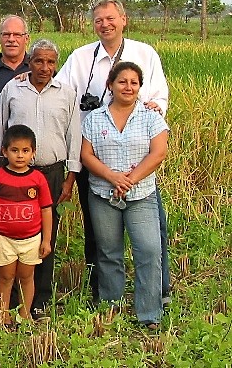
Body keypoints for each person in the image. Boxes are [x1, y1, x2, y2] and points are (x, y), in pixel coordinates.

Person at [55, 0, 170, 303]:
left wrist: (154, 107)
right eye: (98, 20)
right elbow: (59, 92)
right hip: (95, 156)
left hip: (137, 161)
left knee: (152, 235)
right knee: (99, 233)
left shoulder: (144, 53)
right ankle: (103, 293)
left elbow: (160, 96)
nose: (105, 24)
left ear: (123, 20)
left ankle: (160, 291)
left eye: (110, 18)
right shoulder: (81, 58)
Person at [0, 39, 81, 319]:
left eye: (50, 62)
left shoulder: (66, 93)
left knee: (44, 238)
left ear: (56, 64)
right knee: (9, 231)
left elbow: (74, 135)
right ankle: (9, 300)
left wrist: (70, 178)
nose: (44, 67)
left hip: (50, 173)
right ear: (30, 62)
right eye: (39, 61)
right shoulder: (13, 88)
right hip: (13, 173)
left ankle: (39, 300)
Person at [80, 62, 168, 329]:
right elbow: (86, 155)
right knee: (108, 252)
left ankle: (149, 313)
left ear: (140, 87)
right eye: (122, 81)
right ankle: (110, 307)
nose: (128, 87)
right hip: (103, 193)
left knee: (149, 250)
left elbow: (158, 153)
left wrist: (129, 179)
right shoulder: (95, 118)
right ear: (110, 85)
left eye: (134, 83)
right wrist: (112, 177)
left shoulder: (151, 117)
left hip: (141, 194)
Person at [0, 125, 53, 324]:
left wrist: (46, 239)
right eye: (14, 150)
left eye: (25, 150)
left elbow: (46, 210)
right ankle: (2, 317)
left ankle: (24, 316)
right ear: (4, 151)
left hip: (31, 239)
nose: (20, 155)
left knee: (26, 277)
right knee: (5, 277)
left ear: (33, 152)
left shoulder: (38, 179)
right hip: (3, 238)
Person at [0, 15, 30, 92]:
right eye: (6, 34)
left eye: (17, 35)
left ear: (26, 39)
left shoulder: (39, 70)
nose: (11, 39)